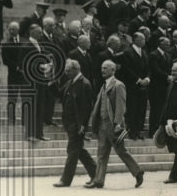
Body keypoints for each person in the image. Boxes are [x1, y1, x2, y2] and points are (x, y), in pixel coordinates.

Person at [86, 59, 144, 188]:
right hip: (102, 124)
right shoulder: (103, 86)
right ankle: (99, 180)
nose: (102, 70)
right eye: (102, 68)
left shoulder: (118, 85)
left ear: (113, 70)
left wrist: (118, 123)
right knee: (101, 153)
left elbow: (121, 106)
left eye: (105, 68)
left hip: (112, 124)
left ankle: (137, 172)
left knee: (121, 151)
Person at [52, 59, 97, 187]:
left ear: (76, 69)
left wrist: (83, 125)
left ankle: (65, 180)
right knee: (79, 150)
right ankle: (96, 174)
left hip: (77, 124)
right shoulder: (70, 82)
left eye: (68, 71)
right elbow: (59, 94)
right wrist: (51, 82)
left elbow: (86, 107)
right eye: (65, 71)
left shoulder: (84, 84)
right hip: (69, 123)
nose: (66, 73)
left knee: (72, 150)